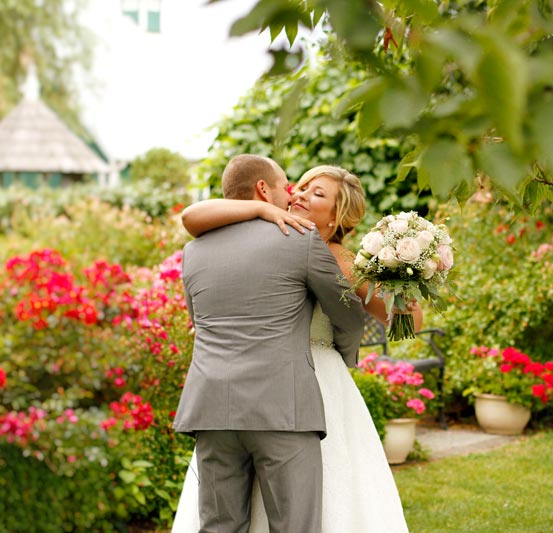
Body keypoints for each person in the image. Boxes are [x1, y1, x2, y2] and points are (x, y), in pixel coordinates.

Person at [172, 165, 420, 532]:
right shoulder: (279, 235)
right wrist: (261, 209)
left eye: (316, 193)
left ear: (336, 215)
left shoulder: (342, 259)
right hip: (281, 396)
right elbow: (349, 324)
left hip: (305, 384)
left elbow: (400, 321)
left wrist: (404, 271)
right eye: (299, 187)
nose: (300, 194)